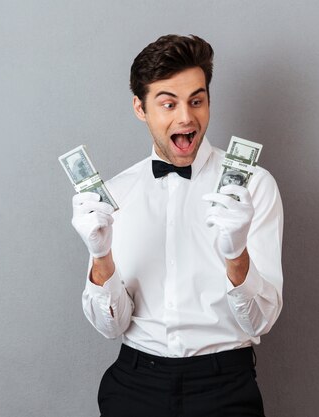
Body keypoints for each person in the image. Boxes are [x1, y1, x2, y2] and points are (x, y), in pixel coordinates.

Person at [70, 34, 283, 417]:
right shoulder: (115, 195)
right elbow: (109, 326)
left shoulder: (254, 186)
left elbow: (262, 321)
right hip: (135, 383)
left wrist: (236, 254)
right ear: (140, 108)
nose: (186, 117)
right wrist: (100, 256)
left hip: (224, 384)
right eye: (168, 103)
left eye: (196, 101)